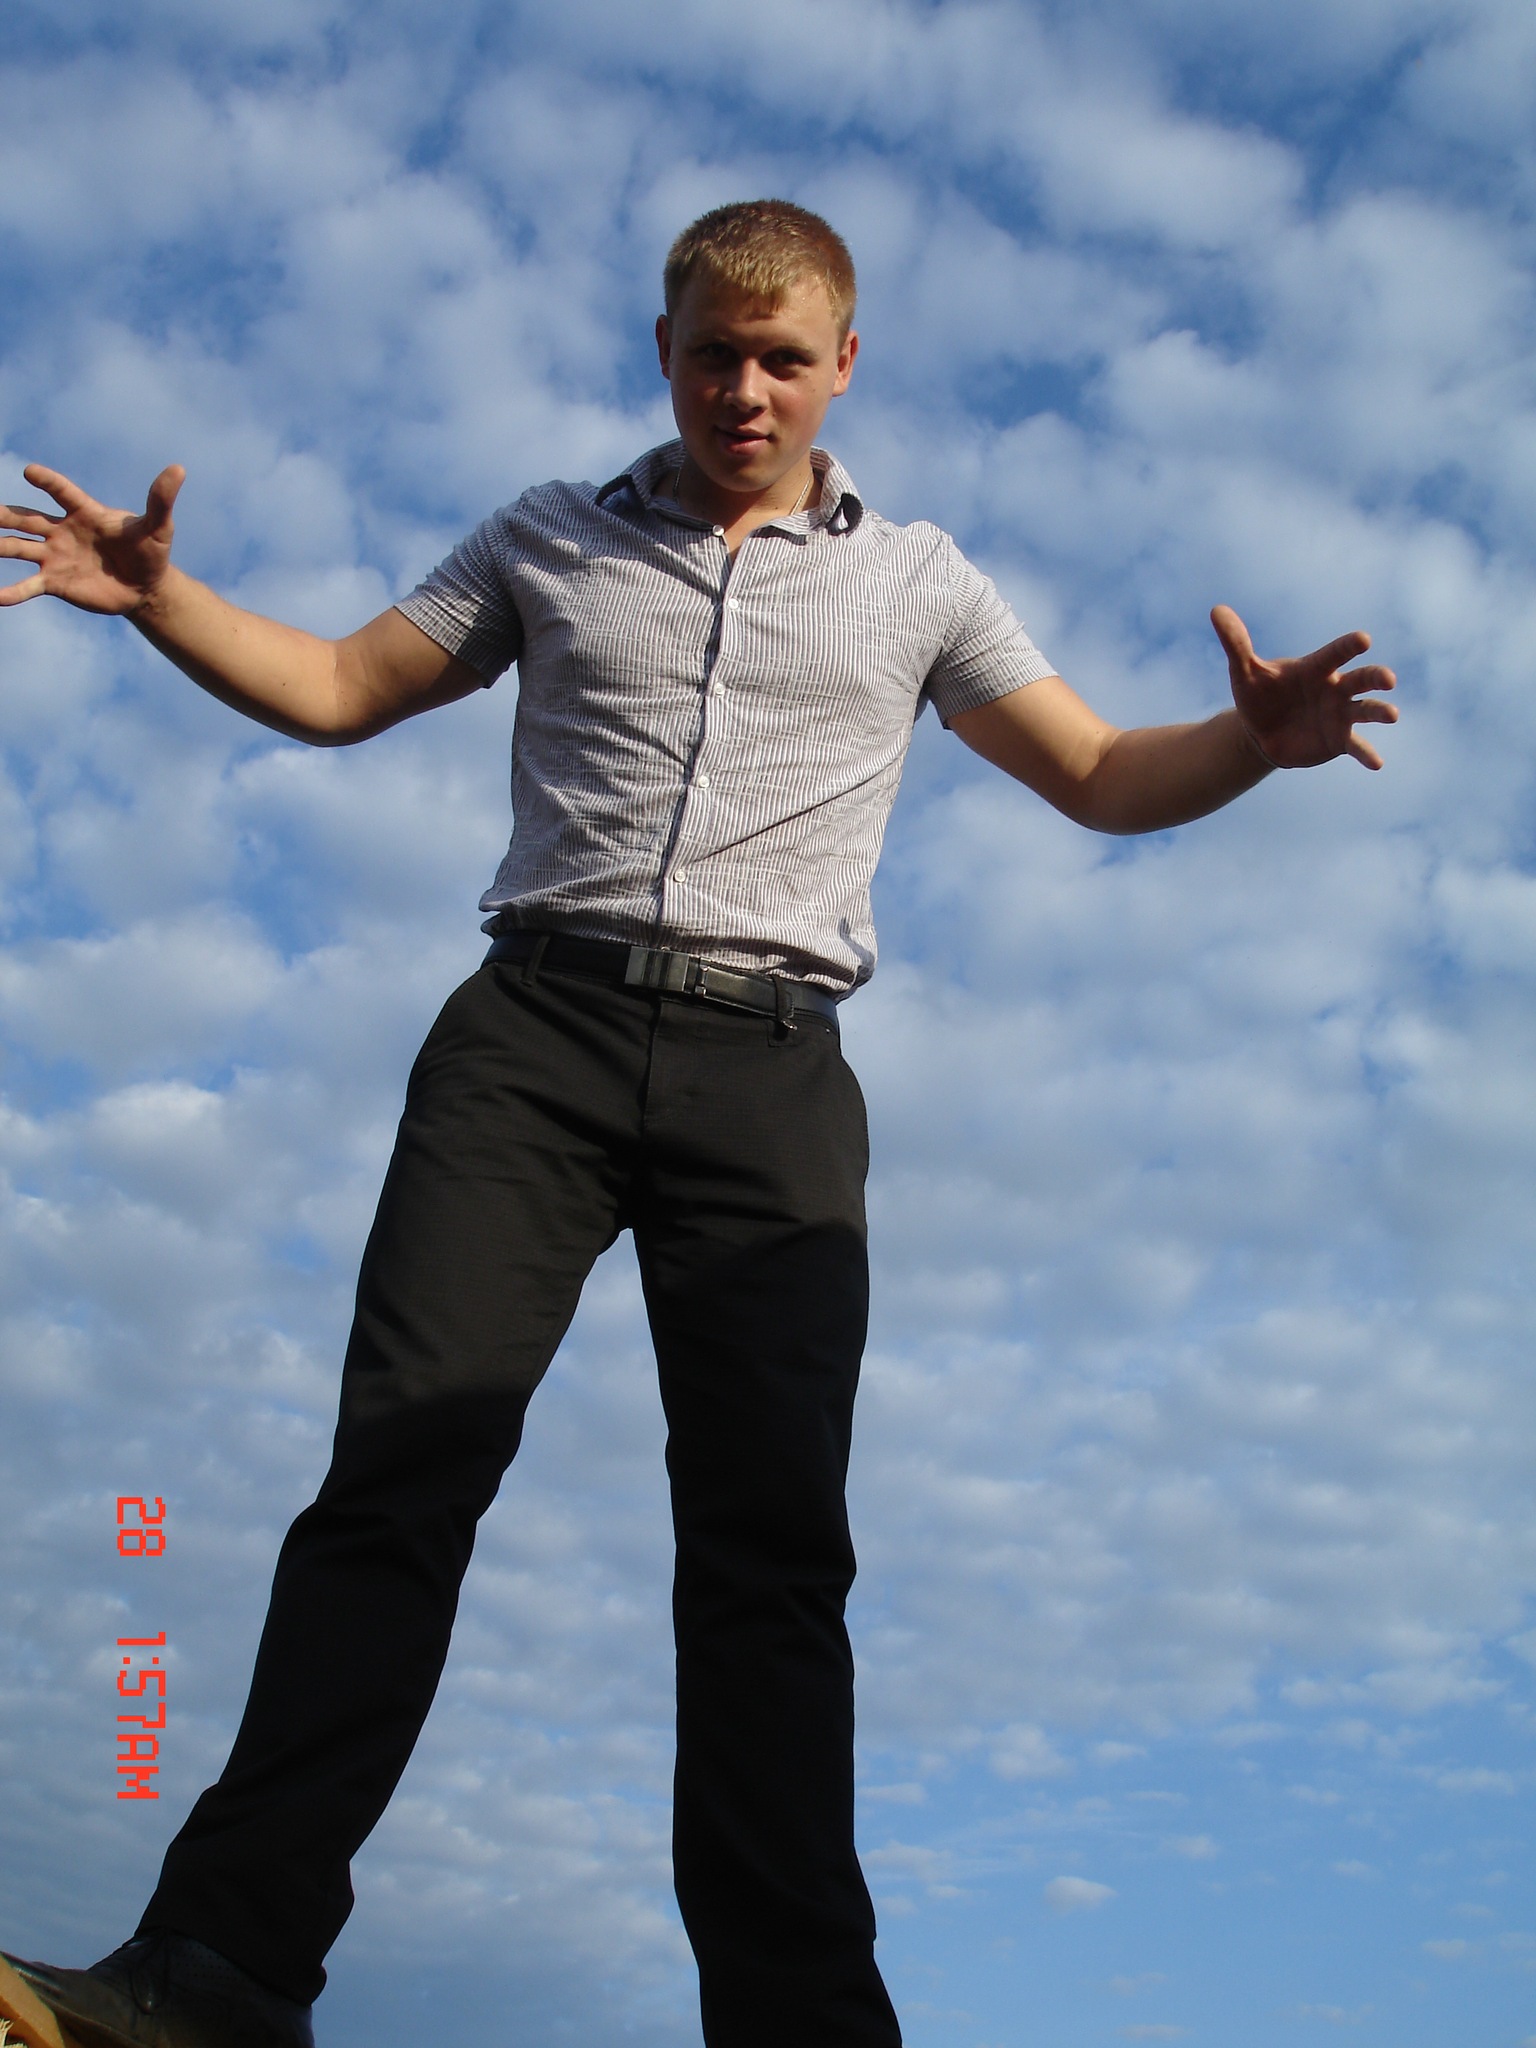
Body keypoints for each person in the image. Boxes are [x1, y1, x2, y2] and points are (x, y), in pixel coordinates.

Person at [0, 199, 1396, 2048]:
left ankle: (800, 2022)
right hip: (533, 1038)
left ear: (844, 365)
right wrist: (161, 599)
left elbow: (1096, 771)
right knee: (397, 1479)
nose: (747, 390)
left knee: (770, 1558)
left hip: (773, 1071)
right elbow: (340, 688)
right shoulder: (546, 537)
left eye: (784, 359)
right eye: (715, 355)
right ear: (664, 351)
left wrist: (1250, 746)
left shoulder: (922, 583)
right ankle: (214, 1977)